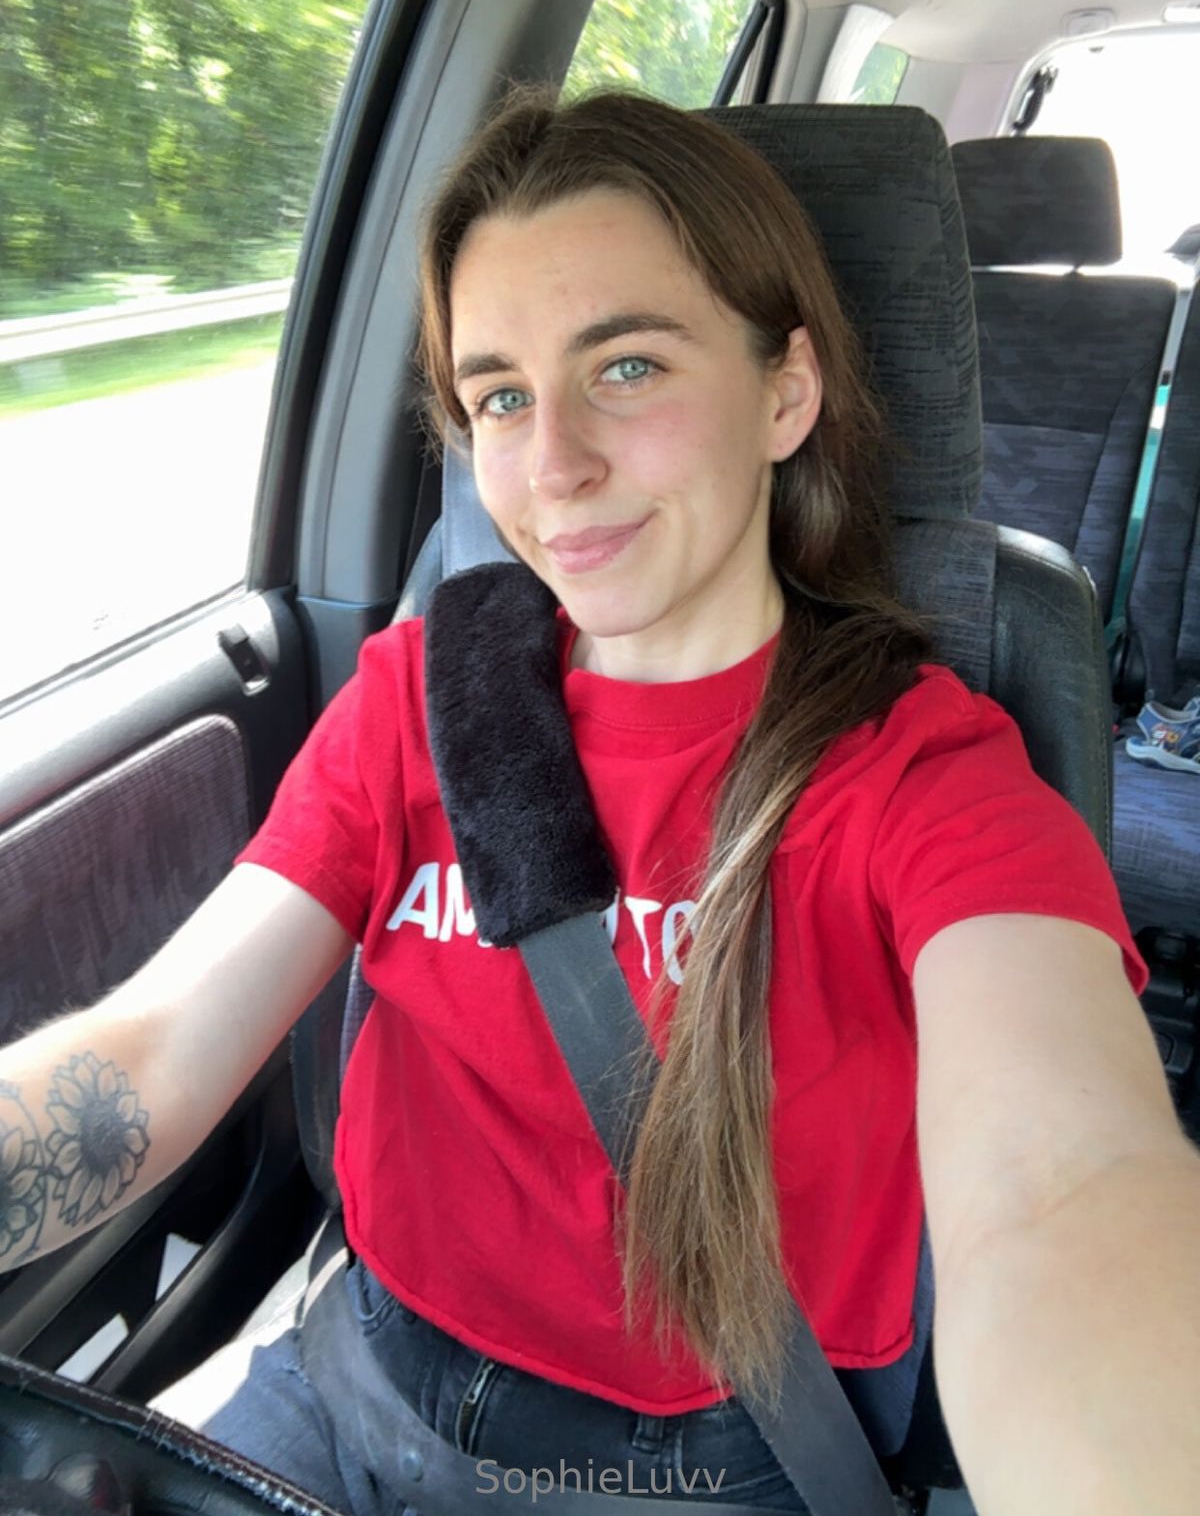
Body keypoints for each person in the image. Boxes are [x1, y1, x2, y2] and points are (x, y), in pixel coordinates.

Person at [3, 88, 1199, 1516]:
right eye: (501, 396)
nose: (553, 464)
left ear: (786, 393)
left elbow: (1065, 1186)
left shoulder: (920, 775)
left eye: (627, 367)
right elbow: (149, 1057)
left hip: (698, 1472)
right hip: (347, 1377)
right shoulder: (418, 697)